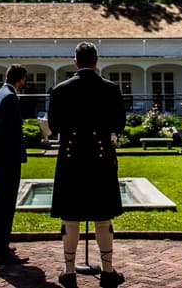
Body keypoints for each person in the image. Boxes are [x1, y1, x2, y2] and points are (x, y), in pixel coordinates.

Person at [48, 42, 126, 288]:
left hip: (70, 160)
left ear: (75, 61)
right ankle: (108, 271)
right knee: (103, 217)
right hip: (101, 160)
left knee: (70, 218)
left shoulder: (60, 90)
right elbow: (120, 124)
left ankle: (69, 272)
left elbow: (55, 126)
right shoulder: (111, 89)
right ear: (96, 60)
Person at [0, 63, 30, 266]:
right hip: (7, 157)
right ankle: (1, 250)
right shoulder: (10, 97)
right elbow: (4, 130)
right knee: (6, 203)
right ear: (20, 79)